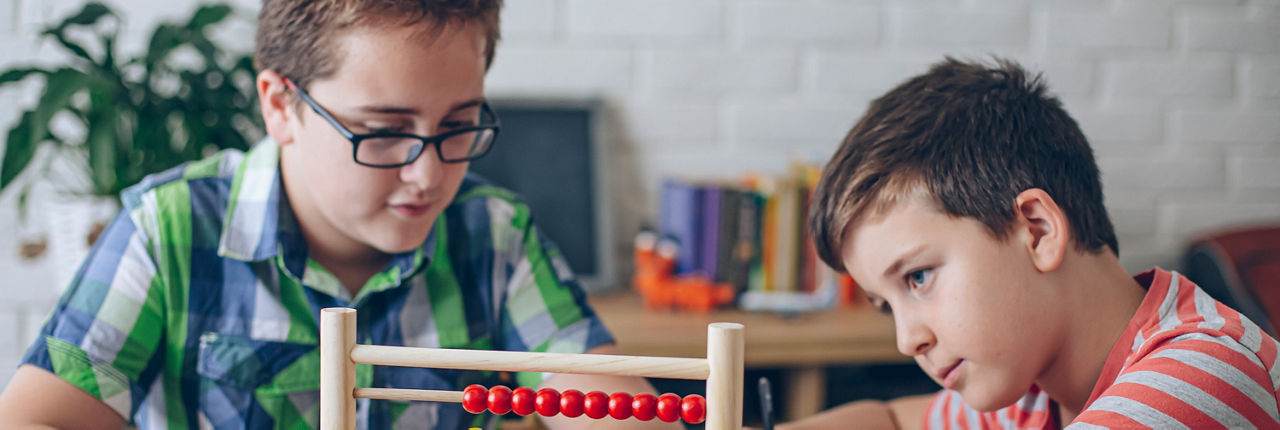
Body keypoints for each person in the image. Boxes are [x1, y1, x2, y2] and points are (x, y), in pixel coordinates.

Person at [0, 1, 677, 428]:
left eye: (459, 126)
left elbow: (610, 410)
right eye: (382, 131)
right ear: (279, 105)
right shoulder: (168, 230)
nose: (428, 175)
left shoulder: (494, 236)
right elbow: (36, 420)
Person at [787, 57, 1280, 429]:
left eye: (917, 278)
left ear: (1037, 231)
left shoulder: (1202, 375)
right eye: (884, 305)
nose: (906, 339)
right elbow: (893, 421)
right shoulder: (1030, 390)